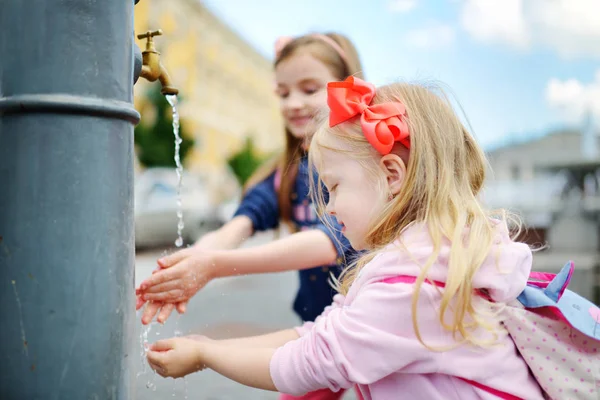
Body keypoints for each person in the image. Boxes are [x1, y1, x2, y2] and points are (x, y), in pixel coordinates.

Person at [144, 76, 546, 400]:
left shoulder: (415, 283)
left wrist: (208, 355)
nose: (329, 209)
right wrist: (204, 346)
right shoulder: (425, 257)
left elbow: (307, 364)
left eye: (334, 187)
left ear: (392, 177)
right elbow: (317, 334)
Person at [137, 33, 365, 400]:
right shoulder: (289, 171)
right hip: (326, 326)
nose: (293, 103)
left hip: (379, 318)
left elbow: (329, 242)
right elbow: (239, 224)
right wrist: (189, 263)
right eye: (283, 92)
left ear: (348, 88)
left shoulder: (360, 163)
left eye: (309, 89)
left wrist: (214, 266)